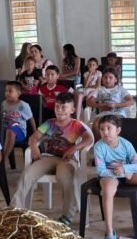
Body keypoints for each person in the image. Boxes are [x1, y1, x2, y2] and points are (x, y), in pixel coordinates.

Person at [12, 92, 93, 227]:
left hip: (67, 161)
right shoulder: (49, 123)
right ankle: (15, 210)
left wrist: (74, 148)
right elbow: (34, 137)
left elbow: (89, 138)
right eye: (57, 107)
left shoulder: (76, 125)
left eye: (64, 107)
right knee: (27, 174)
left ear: (72, 110)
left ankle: (67, 215)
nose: (60, 110)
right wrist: (34, 147)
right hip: (48, 158)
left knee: (64, 177)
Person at [87, 68, 134, 138]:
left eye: (110, 78)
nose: (107, 80)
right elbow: (89, 102)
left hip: (118, 114)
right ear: (102, 79)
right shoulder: (99, 89)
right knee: (95, 125)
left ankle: (116, 144)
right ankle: (100, 145)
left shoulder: (120, 89)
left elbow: (131, 101)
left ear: (116, 80)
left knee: (116, 127)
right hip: (103, 114)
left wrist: (115, 105)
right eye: (105, 77)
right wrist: (100, 106)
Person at [1, 81, 35, 164]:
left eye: (10, 91)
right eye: (6, 91)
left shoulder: (23, 105)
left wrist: (35, 133)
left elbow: (31, 119)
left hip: (19, 132)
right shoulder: (4, 103)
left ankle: (3, 160)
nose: (7, 93)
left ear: (18, 93)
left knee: (11, 129)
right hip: (5, 129)